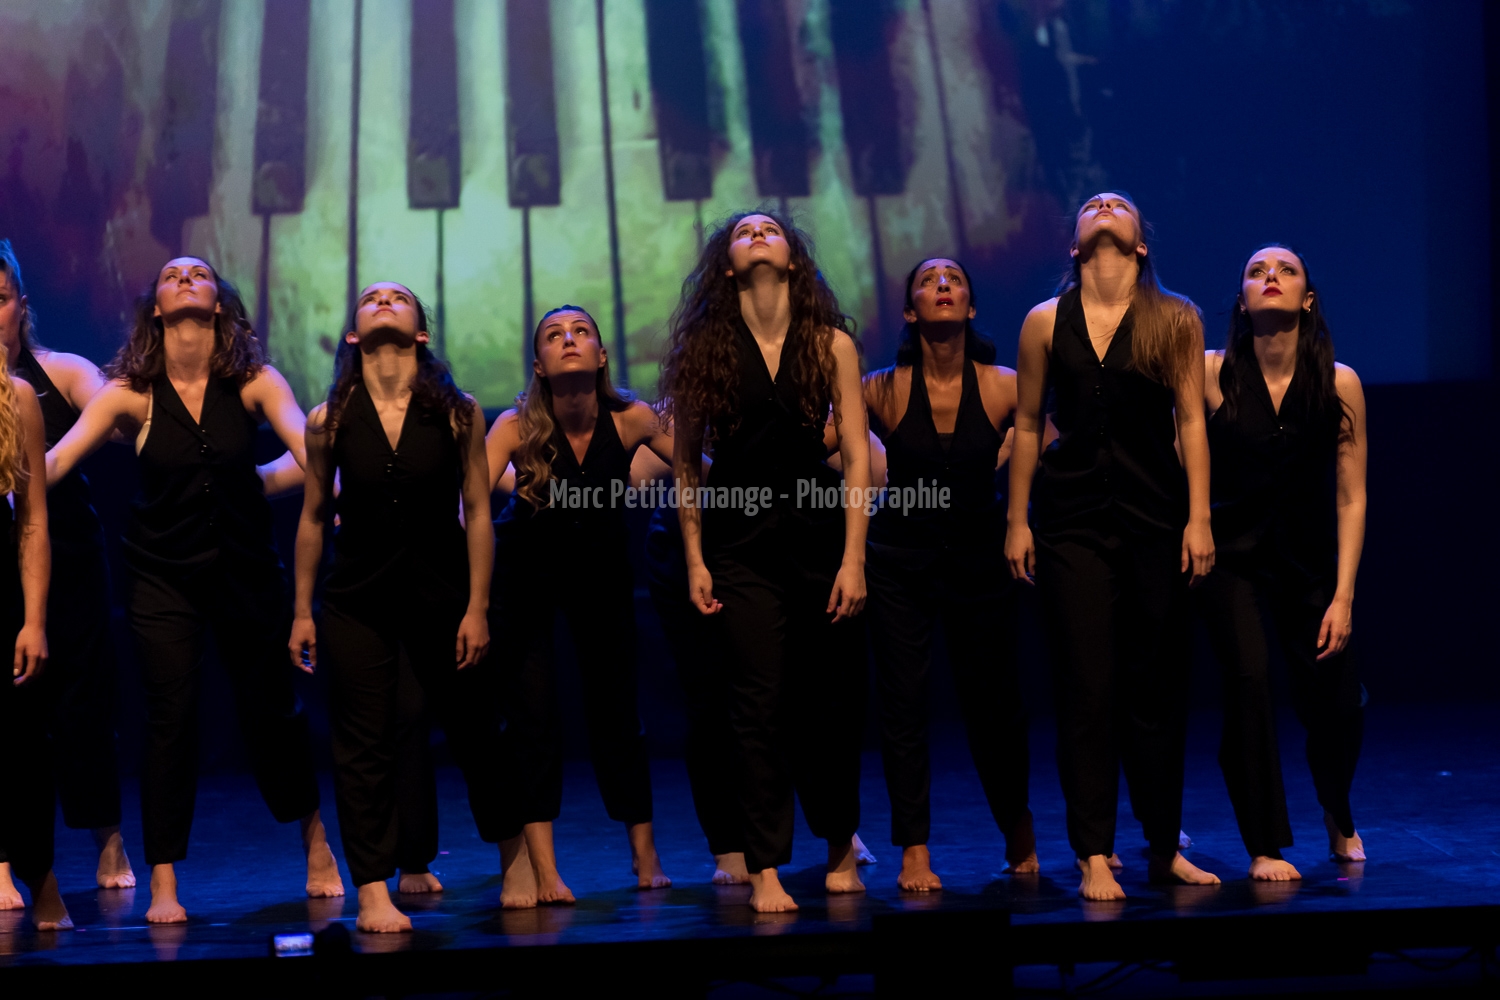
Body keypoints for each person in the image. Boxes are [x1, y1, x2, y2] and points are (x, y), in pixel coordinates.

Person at [46, 257, 338, 923]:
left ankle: (316, 840)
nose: (183, 278)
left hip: (245, 570)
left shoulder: (255, 381)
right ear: (155, 308)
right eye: (171, 275)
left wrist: (261, 483)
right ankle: (164, 880)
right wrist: (9, 488)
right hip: (161, 575)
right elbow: (58, 458)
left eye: (197, 273)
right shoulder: (131, 392)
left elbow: (309, 454)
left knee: (273, 712)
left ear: (219, 304)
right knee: (169, 721)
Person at [1006, 193, 1220, 901]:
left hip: (1154, 518)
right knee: (1087, 687)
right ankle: (1093, 851)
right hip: (1071, 522)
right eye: (1092, 205)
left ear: (1141, 244)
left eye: (1117, 204)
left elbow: (1191, 421)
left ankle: (1163, 846)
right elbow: (1029, 423)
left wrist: (1198, 518)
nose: (1102, 204)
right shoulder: (1044, 321)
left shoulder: (1174, 318)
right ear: (1074, 246)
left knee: (1155, 687)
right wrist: (1017, 519)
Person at [659, 211, 871, 913]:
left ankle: (839, 844)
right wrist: (695, 559)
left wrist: (853, 559)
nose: (756, 235)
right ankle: (766, 866)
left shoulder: (829, 343)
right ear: (727, 266)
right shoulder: (707, 349)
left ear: (793, 259)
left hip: (817, 539)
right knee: (757, 705)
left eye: (769, 230)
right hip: (739, 546)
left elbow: (857, 458)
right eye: (743, 232)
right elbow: (686, 466)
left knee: (828, 702)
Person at [290, 281, 516, 932]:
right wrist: (302, 609)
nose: (384, 299)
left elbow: (478, 511)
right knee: (361, 745)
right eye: (371, 297)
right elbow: (313, 516)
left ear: (421, 331)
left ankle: (514, 858)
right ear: (353, 333)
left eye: (398, 296)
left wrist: (477, 606)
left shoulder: (457, 411)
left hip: (443, 594)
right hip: (357, 600)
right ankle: (372, 890)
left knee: (477, 730)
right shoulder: (328, 419)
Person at [641, 415, 883, 885]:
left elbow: (875, 468)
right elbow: (643, 472)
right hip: (693, 546)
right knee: (714, 700)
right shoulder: (685, 404)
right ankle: (730, 843)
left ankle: (834, 828)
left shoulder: (807, 398)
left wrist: (799, 456)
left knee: (802, 690)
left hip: (780, 539)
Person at [484, 305, 672, 906]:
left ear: (601, 356)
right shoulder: (515, 427)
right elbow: (468, 498)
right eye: (554, 335)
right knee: (533, 719)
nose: (569, 340)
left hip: (602, 578)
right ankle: (545, 870)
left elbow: (702, 469)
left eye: (581, 331)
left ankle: (645, 854)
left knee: (617, 715)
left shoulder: (632, 419)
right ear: (539, 364)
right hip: (525, 579)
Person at [863, 257, 1036, 891]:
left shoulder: (1002, 384)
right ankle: (914, 849)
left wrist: (1014, 468)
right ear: (910, 311)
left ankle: (1018, 830)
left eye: (955, 279)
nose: (943, 284)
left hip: (979, 559)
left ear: (970, 307)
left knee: (995, 704)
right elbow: (830, 444)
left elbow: (1049, 435)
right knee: (904, 705)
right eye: (929, 280)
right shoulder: (880, 388)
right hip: (898, 562)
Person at [1199, 245, 1368, 880]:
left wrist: (1343, 596)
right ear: (1243, 301)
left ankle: (1336, 807)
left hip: (1308, 563)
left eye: (1286, 270)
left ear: (1308, 298)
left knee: (1340, 705)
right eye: (1256, 271)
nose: (1270, 277)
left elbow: (1351, 495)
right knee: (1249, 683)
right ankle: (1264, 844)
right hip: (1232, 560)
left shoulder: (1339, 382)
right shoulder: (1211, 371)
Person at [0, 240, 134, 891]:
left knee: (84, 706)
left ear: (21, 306)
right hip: (6, 568)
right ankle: (4, 859)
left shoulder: (61, 372)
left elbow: (125, 420)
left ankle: (108, 839)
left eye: (0, 298)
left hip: (70, 560)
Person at [0, 334, 67, 929]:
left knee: (23, 746)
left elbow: (34, 520)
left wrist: (34, 619)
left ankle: (42, 878)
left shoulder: (17, 396)